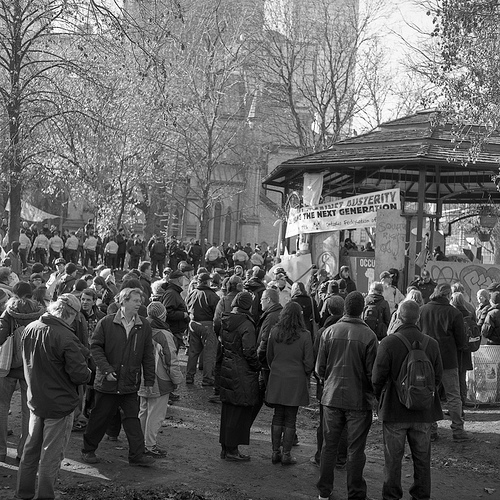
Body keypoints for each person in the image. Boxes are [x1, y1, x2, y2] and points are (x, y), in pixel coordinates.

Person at [16, 294, 91, 500]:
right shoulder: (66, 336)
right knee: (51, 454)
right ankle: (45, 496)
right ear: (72, 314)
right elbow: (79, 375)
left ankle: (24, 492)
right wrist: (89, 372)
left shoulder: (31, 328)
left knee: (31, 450)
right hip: (59, 404)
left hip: (35, 399)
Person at [372, 300, 443, 500]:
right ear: (418, 318)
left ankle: (392, 496)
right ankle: (421, 496)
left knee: (392, 460)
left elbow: (377, 378)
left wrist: (381, 399)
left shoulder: (388, 343)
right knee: (422, 458)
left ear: (398, 317)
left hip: (395, 410)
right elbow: (437, 378)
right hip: (423, 412)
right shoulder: (432, 343)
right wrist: (422, 396)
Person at [81, 288, 155, 466]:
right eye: (135, 300)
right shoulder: (106, 323)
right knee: (99, 417)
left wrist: (150, 380)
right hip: (108, 382)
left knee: (132, 419)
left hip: (129, 382)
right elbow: (95, 348)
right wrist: (106, 370)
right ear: (123, 301)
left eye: (140, 301)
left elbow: (148, 354)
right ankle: (88, 450)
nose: (139, 304)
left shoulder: (143, 325)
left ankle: (137, 455)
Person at [315, 291, 378, 500]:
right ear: (362, 310)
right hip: (358, 401)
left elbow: (320, 369)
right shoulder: (369, 336)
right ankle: (355, 494)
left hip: (331, 397)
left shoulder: (329, 332)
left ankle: (324, 491)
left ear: (345, 309)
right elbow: (372, 375)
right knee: (355, 449)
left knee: (329, 447)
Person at [419, 283, 471, 442]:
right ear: (449, 295)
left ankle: (431, 430)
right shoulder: (454, 313)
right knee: (453, 396)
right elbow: (461, 341)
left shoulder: (423, 310)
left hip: (427, 359)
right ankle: (457, 430)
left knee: (429, 394)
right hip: (448, 359)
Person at [0, 282, 45, 463]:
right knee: (29, 412)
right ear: (31, 293)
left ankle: (1, 451)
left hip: (7, 368)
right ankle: (23, 452)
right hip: (30, 369)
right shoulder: (40, 313)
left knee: (2, 407)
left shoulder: (8, 312)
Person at [265, 302, 314, 465]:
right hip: (296, 379)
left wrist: (276, 368)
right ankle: (286, 454)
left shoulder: (275, 331)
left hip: (278, 377)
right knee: (291, 418)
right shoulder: (305, 335)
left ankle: (274, 452)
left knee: (278, 415)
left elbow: (269, 356)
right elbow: (309, 363)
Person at [219, 291, 260, 461]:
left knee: (229, 410)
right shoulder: (246, 324)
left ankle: (226, 448)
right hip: (241, 371)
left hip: (227, 367)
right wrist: (257, 366)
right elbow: (249, 351)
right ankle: (232, 450)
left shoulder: (227, 320)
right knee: (238, 411)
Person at [138, 302, 183, 458]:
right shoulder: (164, 334)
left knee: (143, 411)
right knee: (155, 414)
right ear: (163, 316)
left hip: (141, 377)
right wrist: (177, 380)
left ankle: (138, 442)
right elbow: (171, 360)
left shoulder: (140, 328)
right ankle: (149, 445)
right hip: (159, 380)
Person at [185, 273, 220, 386]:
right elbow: (217, 314)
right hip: (207, 325)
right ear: (206, 282)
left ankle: (189, 376)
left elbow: (186, 306)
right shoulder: (212, 295)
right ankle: (207, 378)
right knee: (209, 352)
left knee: (193, 352)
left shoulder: (192, 293)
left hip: (193, 323)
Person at [450, 292, 475, 407]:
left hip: (455, 348)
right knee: (462, 375)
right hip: (466, 347)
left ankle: (456, 401)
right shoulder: (469, 313)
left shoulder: (453, 313)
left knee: (454, 375)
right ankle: (463, 398)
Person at [161, 270, 190, 351]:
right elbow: (167, 312)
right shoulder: (171, 293)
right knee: (171, 357)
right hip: (172, 331)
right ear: (179, 279)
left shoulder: (174, 292)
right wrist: (183, 315)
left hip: (175, 330)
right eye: (182, 278)